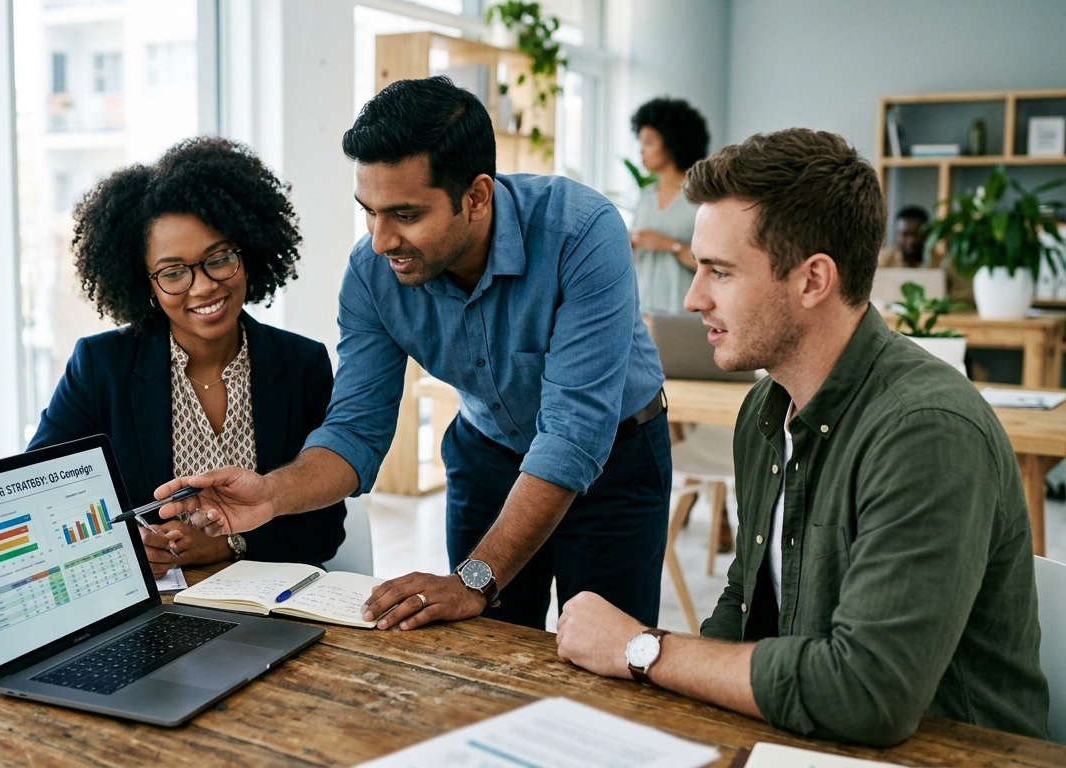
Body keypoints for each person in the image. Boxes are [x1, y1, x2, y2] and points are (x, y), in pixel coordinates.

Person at [555, 128, 1049, 747]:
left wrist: (642, 649)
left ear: (813, 280)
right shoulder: (766, 407)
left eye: (720, 271)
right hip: (809, 741)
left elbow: (868, 694)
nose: (692, 296)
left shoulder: (926, 432)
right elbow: (744, 600)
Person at [155, 76, 671, 632]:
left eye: (404, 214)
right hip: (489, 454)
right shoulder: (371, 274)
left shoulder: (582, 231)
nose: (380, 240)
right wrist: (270, 494)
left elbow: (572, 433)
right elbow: (356, 430)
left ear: (475, 197)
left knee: (607, 656)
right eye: (369, 212)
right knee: (488, 652)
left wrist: (475, 578)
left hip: (616, 457)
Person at [27, 136, 345, 578]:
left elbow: (325, 528)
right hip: (154, 607)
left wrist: (231, 544)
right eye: (174, 272)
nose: (203, 287)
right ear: (147, 286)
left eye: (218, 259)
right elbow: (41, 491)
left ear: (247, 254)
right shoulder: (102, 366)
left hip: (271, 602)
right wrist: (122, 542)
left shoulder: (301, 364)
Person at [629, 97, 710, 316]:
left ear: (673, 143)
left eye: (648, 142)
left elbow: (716, 268)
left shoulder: (703, 200)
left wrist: (670, 245)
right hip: (642, 315)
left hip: (685, 316)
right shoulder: (645, 199)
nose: (641, 151)